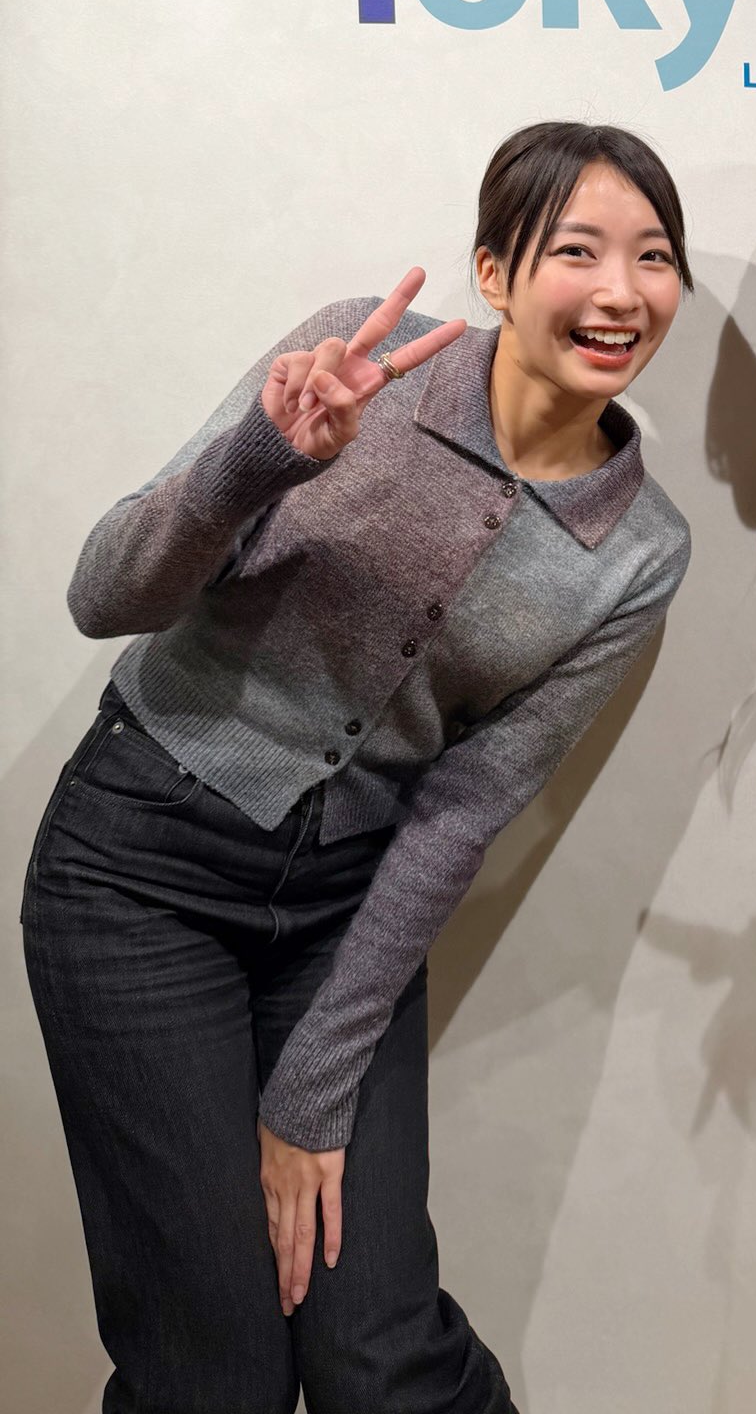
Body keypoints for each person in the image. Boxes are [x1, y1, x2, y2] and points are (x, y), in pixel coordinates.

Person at [24, 121, 692, 1414]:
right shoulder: (357, 363)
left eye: (655, 257)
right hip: (136, 881)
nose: (621, 291)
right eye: (578, 251)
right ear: (494, 272)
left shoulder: (640, 549)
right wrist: (258, 461)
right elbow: (103, 597)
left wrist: (314, 1089)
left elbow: (463, 811)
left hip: (341, 922)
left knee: (378, 1363)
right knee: (212, 1376)